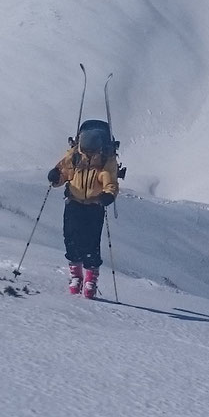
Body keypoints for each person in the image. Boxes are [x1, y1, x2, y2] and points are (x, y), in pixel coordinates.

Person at [48, 119, 120, 298]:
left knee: (90, 242)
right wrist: (56, 177)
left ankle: (90, 278)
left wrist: (108, 195)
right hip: (73, 202)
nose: (88, 152)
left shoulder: (106, 159)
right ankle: (77, 276)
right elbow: (64, 172)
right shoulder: (75, 156)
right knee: (71, 238)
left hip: (94, 206)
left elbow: (110, 181)